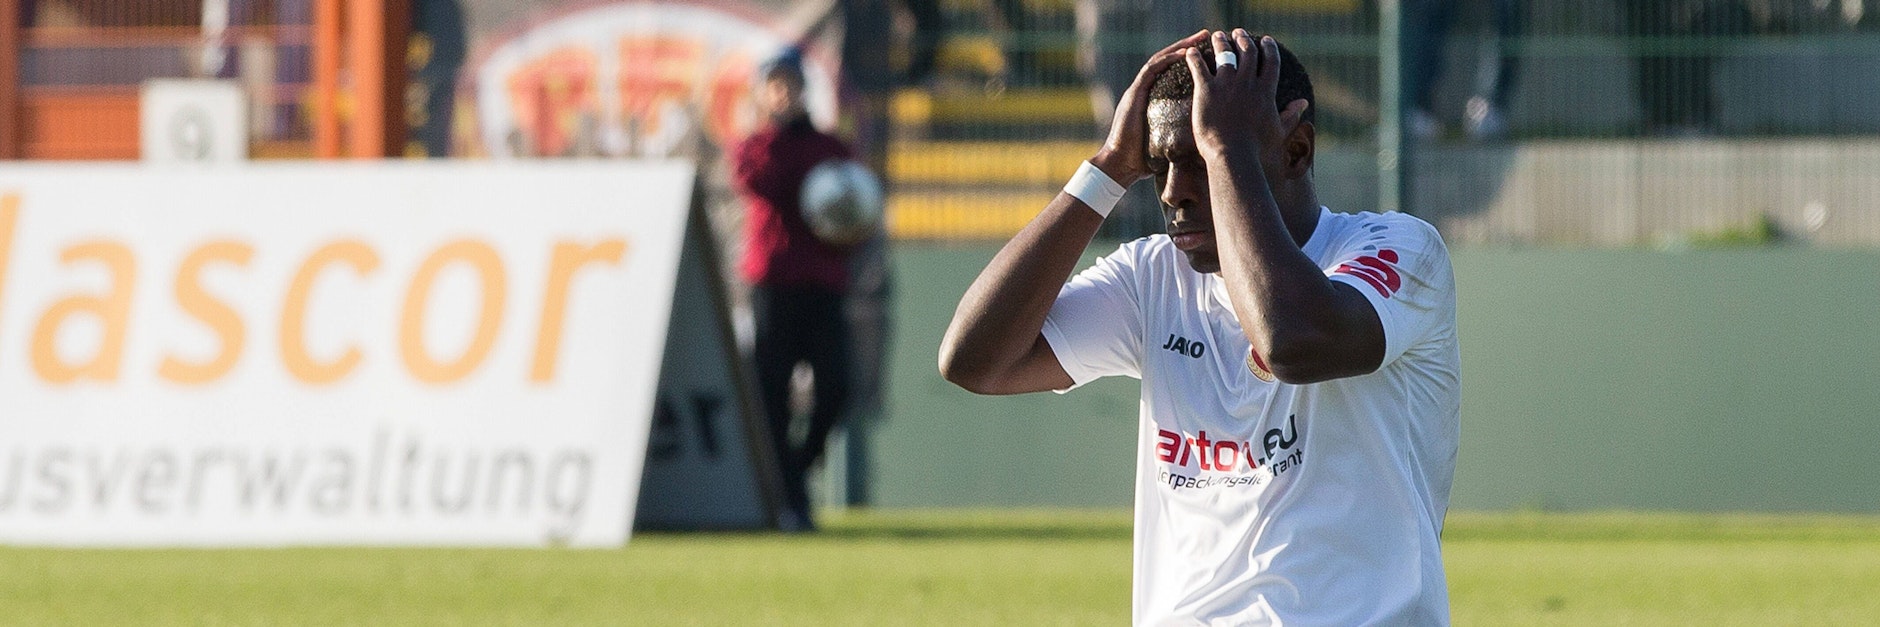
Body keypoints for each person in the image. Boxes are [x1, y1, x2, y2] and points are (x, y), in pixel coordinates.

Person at [939, 30, 1461, 624]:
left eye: (1201, 161)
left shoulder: (1399, 249)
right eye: (1159, 164)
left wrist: (1229, 151)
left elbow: (1292, 342)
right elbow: (975, 361)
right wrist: (1109, 168)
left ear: (1296, 152)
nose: (1172, 191)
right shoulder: (1150, 277)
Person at [731, 49, 857, 531]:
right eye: (774, 85)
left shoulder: (829, 147)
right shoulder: (756, 146)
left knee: (836, 388)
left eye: (790, 84)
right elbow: (762, 180)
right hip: (772, 286)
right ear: (764, 93)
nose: (784, 93)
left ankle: (793, 477)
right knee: (771, 398)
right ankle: (792, 502)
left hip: (822, 285)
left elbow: (851, 207)